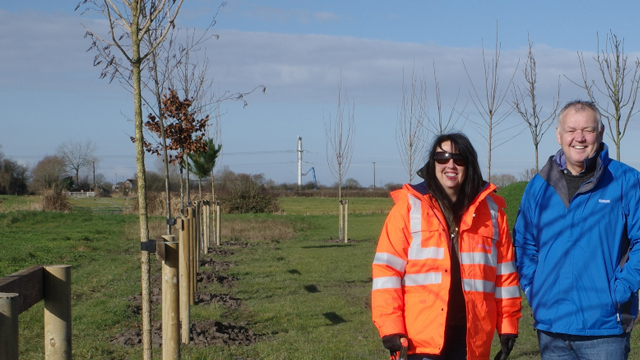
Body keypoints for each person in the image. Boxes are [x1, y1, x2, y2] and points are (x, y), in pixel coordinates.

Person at [371, 133, 521, 360]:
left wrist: (508, 324)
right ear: (432, 164)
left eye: (458, 159)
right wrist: (390, 326)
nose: (450, 164)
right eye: (442, 157)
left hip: (472, 336)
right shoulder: (408, 208)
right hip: (420, 338)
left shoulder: (493, 212)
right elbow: (387, 272)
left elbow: (505, 275)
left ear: (469, 164)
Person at [513, 100, 640, 360]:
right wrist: (533, 288)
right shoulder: (538, 186)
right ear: (559, 135)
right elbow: (524, 244)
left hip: (604, 329)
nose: (579, 138)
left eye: (588, 130)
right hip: (551, 329)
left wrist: (620, 290)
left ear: (601, 133)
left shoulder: (626, 181)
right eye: (571, 130)